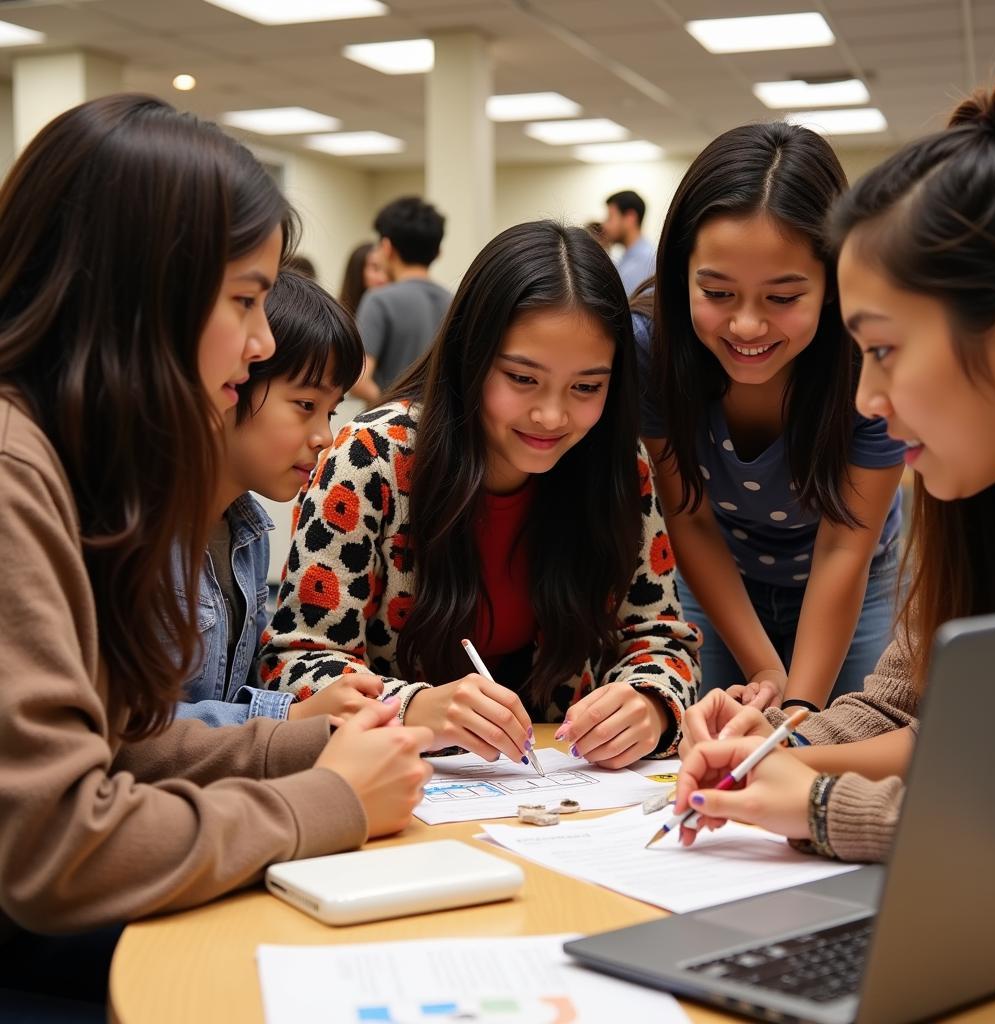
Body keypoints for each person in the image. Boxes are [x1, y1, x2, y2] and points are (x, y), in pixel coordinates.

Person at [0, 95, 433, 1016]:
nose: (264, 339)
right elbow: (61, 846)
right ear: (141, 293)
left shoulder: (74, 461)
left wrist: (310, 745)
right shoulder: (13, 471)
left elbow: (118, 746)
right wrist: (326, 801)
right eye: (244, 299)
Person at [672, 72, 995, 863]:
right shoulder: (976, 504)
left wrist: (822, 801)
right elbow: (912, 711)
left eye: (886, 351)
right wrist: (780, 749)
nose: (866, 398)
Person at [260, 220, 701, 768]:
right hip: (400, 789)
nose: (551, 415)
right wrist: (413, 707)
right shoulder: (372, 458)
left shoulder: (617, 466)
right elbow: (294, 663)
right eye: (521, 378)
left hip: (565, 794)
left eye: (587, 387)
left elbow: (662, 639)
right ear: (472, 356)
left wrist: (651, 704)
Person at [636, 123, 905, 713]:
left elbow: (844, 546)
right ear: (683, 274)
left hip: (850, 573)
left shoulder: (871, 357)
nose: (748, 327)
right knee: (714, 735)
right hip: (718, 570)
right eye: (718, 293)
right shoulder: (650, 351)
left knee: (848, 730)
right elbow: (691, 519)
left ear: (833, 284)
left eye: (783, 298)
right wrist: (763, 666)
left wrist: (800, 712)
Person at [175, 268, 382, 727]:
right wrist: (287, 717)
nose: (324, 437)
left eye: (330, 411)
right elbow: (126, 727)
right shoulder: (139, 533)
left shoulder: (248, 534)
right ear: (230, 381)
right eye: (305, 406)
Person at [349, 196, 451, 405]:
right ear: (438, 253)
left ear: (386, 248)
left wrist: (392, 407)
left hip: (389, 430)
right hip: (437, 428)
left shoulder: (379, 300)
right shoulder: (454, 301)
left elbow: (358, 380)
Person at [603, 190, 656, 297]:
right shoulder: (625, 259)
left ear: (630, 218)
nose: (605, 225)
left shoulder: (648, 261)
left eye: (610, 217)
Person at [339, 240, 389, 313]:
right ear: (357, 270)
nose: (383, 278)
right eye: (375, 268)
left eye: (387, 270)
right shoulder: (337, 313)